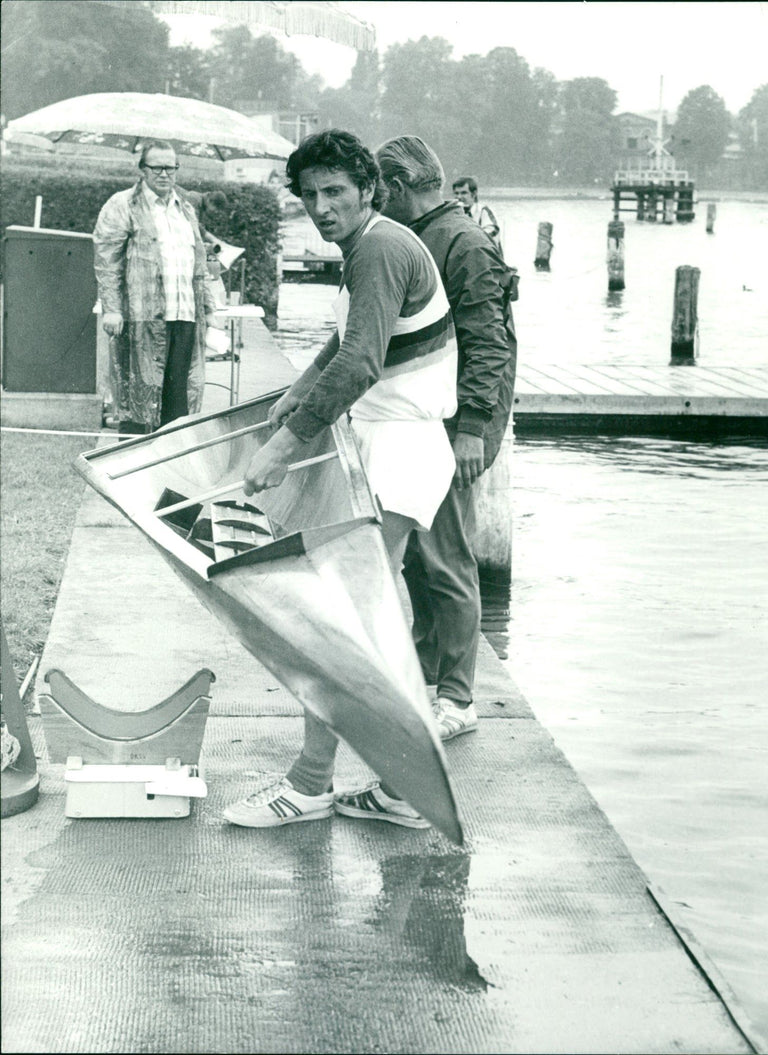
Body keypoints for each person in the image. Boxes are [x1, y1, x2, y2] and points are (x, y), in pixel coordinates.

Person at [223, 129, 459, 831]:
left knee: (336, 622)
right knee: (364, 621)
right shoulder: (371, 243)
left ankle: (311, 783)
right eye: (310, 195)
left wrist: (279, 449)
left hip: (400, 447)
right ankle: (395, 786)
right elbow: (351, 338)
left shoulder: (381, 247)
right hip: (389, 441)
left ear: (367, 190)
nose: (322, 207)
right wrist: (300, 386)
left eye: (336, 192)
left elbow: (360, 366)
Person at [377, 136, 517, 741]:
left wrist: (472, 432)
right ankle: (428, 663)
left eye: (378, 191)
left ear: (399, 187)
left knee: (447, 555)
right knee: (418, 551)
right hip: (425, 417)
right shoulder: (430, 236)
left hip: (454, 423)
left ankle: (459, 697)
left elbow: (491, 346)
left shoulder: (463, 243)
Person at [93, 140, 216, 434]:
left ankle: (171, 473)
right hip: (141, 319)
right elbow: (106, 261)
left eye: (171, 168)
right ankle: (132, 474)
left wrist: (208, 309)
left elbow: (198, 264)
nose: (165, 174)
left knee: (178, 409)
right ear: (142, 169)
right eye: (157, 167)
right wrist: (112, 309)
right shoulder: (122, 205)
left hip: (185, 318)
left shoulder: (185, 209)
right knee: (139, 403)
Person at [452, 176, 502, 252]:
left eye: (464, 193)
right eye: (456, 193)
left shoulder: (483, 211)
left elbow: (492, 230)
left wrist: (469, 238)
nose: (459, 197)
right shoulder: (453, 213)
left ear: (474, 193)